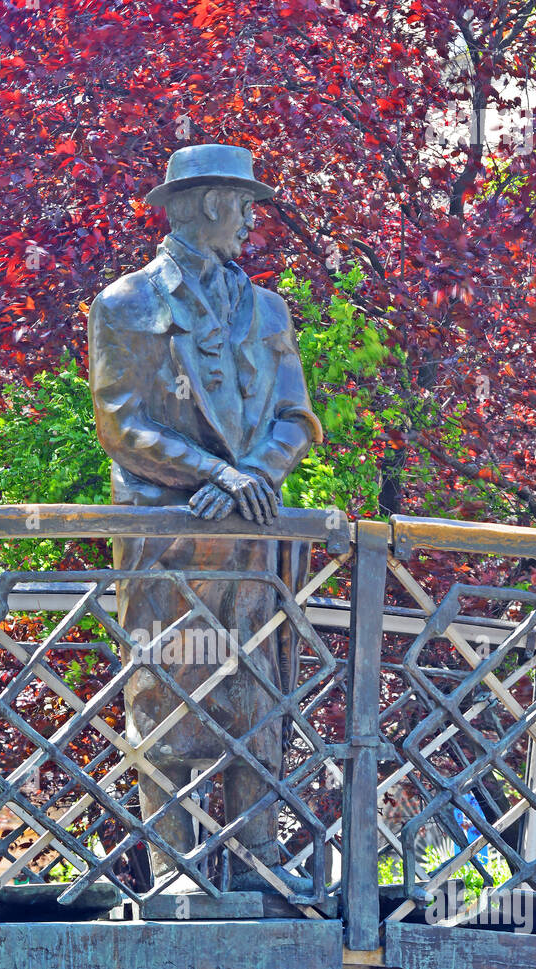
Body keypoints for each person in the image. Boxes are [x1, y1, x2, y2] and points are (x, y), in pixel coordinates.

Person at [88, 143, 321, 893]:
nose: (254, 222)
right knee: (163, 692)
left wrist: (252, 474)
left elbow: (294, 416)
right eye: (246, 206)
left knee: (257, 695)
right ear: (214, 205)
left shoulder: (266, 309)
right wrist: (212, 472)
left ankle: (258, 863)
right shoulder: (126, 304)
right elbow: (122, 426)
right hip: (167, 532)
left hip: (251, 533)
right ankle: (173, 868)